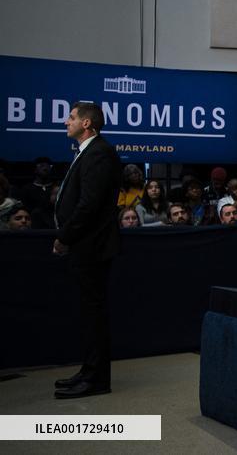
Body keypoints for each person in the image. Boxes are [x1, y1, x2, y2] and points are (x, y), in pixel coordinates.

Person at [53, 101, 122, 399]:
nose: (65, 122)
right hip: (85, 245)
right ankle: (88, 371)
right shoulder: (88, 152)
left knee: (94, 314)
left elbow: (89, 205)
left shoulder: (99, 153)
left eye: (71, 117)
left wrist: (64, 237)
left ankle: (96, 379)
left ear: (86, 123)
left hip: (92, 246)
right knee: (88, 313)